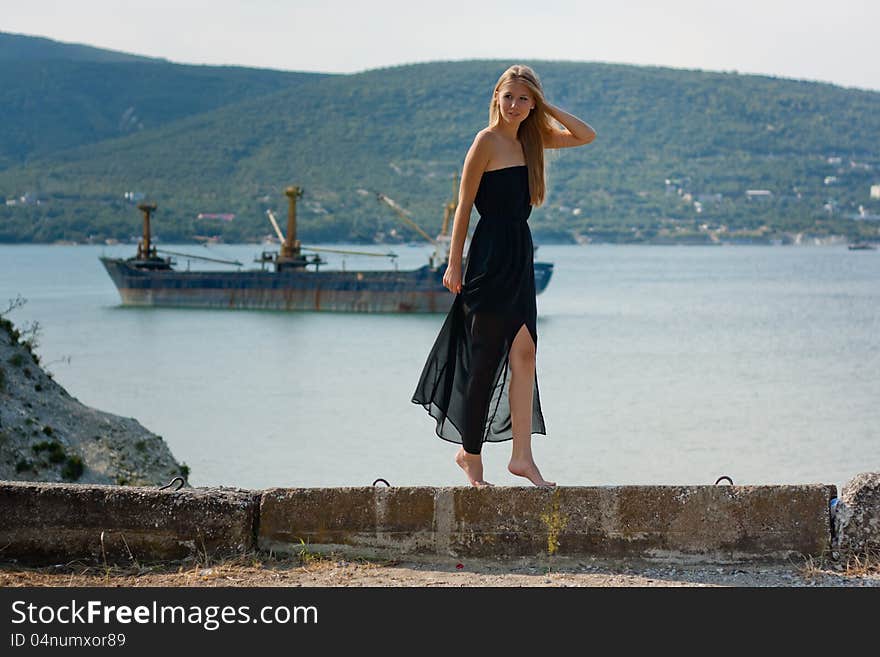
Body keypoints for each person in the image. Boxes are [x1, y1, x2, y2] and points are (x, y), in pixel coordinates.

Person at [412, 64, 596, 487]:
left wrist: (545, 105)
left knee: (525, 353)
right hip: (489, 253)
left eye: (524, 99)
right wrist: (454, 261)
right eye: (509, 96)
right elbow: (463, 206)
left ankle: (522, 458)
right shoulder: (486, 141)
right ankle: (470, 454)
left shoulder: (534, 139)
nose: (515, 106)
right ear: (497, 96)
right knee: (485, 358)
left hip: (519, 253)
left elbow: (587, 135)